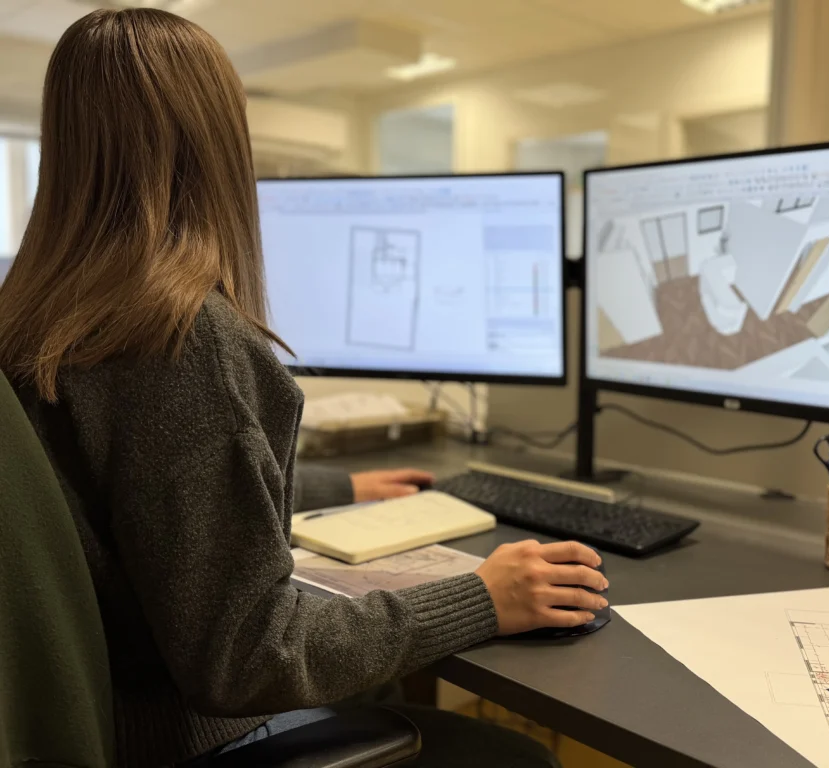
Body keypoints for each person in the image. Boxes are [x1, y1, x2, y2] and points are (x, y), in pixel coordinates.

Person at [0, 9, 608, 768]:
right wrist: (485, 597)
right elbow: (250, 658)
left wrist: (339, 482)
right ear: (218, 138)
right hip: (181, 735)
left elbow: (140, 500)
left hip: (110, 717)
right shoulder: (180, 337)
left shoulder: (39, 312)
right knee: (513, 758)